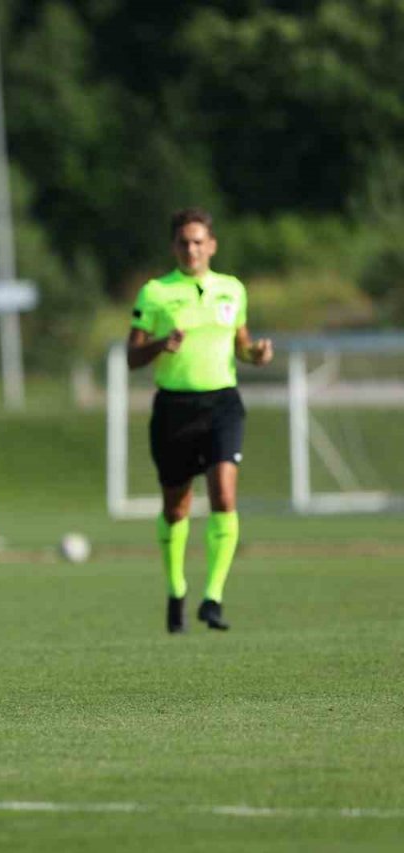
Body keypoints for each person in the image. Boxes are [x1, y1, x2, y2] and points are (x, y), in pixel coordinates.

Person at [128, 207, 273, 633]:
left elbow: (241, 343)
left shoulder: (232, 290)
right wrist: (159, 344)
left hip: (222, 405)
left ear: (211, 245)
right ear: (173, 246)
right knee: (177, 507)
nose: (190, 249)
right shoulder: (155, 293)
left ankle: (213, 598)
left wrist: (256, 355)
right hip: (174, 409)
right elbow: (132, 356)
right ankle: (176, 591)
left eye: (198, 241)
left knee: (224, 496)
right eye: (183, 242)